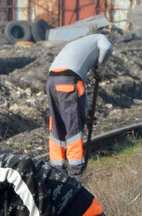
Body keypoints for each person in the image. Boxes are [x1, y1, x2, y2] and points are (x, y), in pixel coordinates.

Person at [46, 33, 113, 176]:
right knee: (74, 128)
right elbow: (107, 48)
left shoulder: (75, 45)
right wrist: (101, 66)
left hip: (52, 82)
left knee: (57, 126)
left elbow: (79, 87)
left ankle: (56, 171)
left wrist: (87, 111)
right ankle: (76, 173)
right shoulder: (100, 38)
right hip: (68, 81)